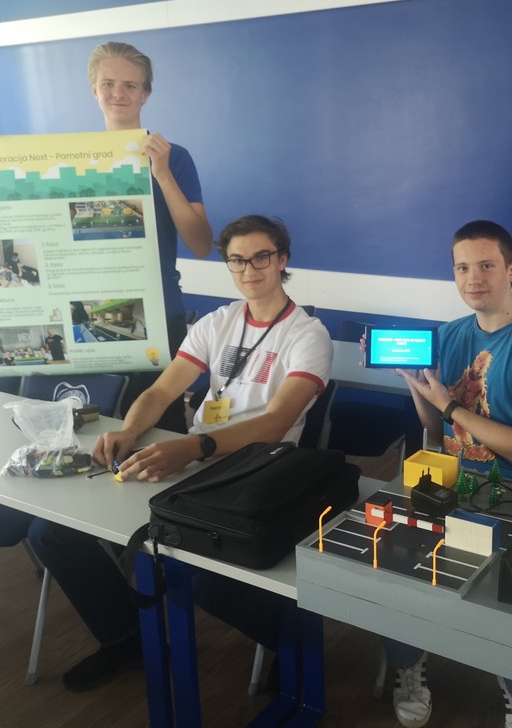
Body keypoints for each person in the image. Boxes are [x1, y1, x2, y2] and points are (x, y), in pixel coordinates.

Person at [28, 215, 333, 692]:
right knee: (51, 534)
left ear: (282, 260)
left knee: (200, 579)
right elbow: (162, 390)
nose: (249, 270)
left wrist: (194, 445)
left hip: (257, 469)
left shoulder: (308, 335)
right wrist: (130, 430)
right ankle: (127, 639)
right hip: (194, 461)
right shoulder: (218, 322)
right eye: (237, 260)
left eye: (261, 257)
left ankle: (295, 649)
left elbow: (276, 422)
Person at [387, 220, 512, 728]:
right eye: (462, 268)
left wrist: (449, 405)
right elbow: (436, 429)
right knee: (395, 560)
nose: (473, 278)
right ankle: (408, 665)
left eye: (486, 265)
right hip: (451, 485)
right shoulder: (450, 334)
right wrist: (418, 389)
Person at [0, 41, 212, 432]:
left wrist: (162, 174)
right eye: (108, 83)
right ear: (94, 90)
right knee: (86, 428)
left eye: (131, 85)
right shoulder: (70, 158)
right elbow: (25, 217)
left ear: (146, 94)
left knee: (159, 432)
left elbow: (201, 244)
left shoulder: (173, 156)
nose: (119, 93)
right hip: (80, 312)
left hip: (155, 312)